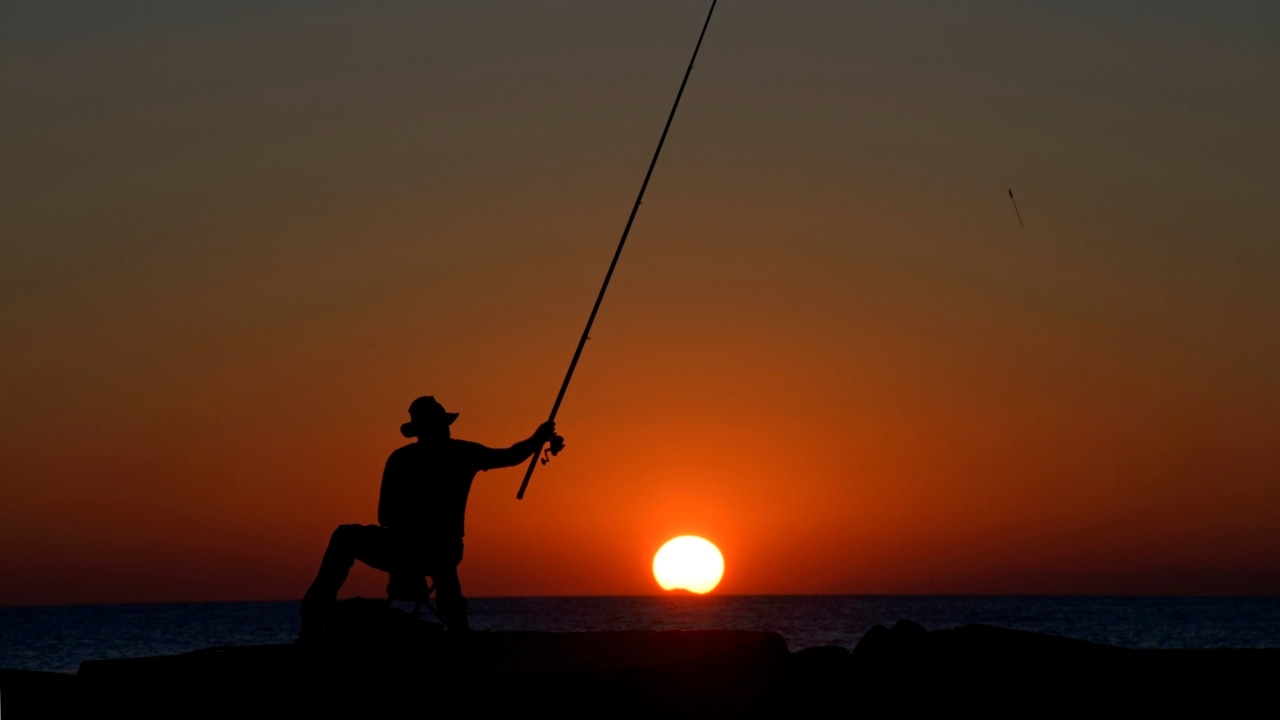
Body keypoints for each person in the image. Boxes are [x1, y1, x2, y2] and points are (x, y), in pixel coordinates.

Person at [300, 395, 560, 639]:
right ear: (432, 427)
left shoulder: (409, 457)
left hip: (425, 547)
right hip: (428, 547)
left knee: (350, 537)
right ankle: (459, 628)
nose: (446, 430)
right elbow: (511, 456)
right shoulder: (455, 453)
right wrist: (538, 438)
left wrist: (538, 438)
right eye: (440, 424)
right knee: (348, 536)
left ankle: (312, 623)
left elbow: (384, 516)